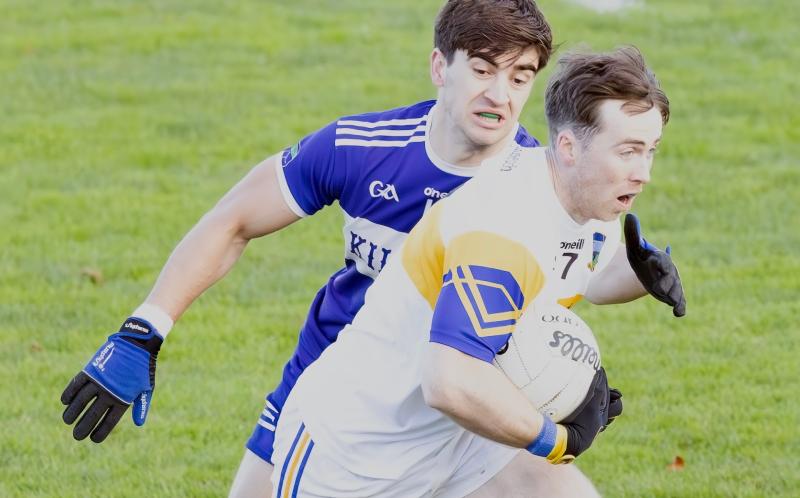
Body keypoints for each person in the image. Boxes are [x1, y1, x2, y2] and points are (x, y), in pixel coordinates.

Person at [59, 0, 683, 495]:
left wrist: (635, 272)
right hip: (348, 395)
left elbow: (576, 275)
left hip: (461, 406)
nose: (501, 95)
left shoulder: (547, 181)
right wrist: (145, 330)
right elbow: (234, 221)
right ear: (440, 67)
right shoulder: (364, 149)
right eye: (483, 70)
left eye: (520, 76)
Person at [268, 45, 681, 497]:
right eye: (628, 151)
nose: (643, 173)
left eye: (650, 151)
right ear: (568, 147)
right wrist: (557, 439)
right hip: (354, 454)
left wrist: (639, 275)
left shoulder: (588, 207)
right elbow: (451, 382)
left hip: (455, 447)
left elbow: (581, 276)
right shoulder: (502, 230)